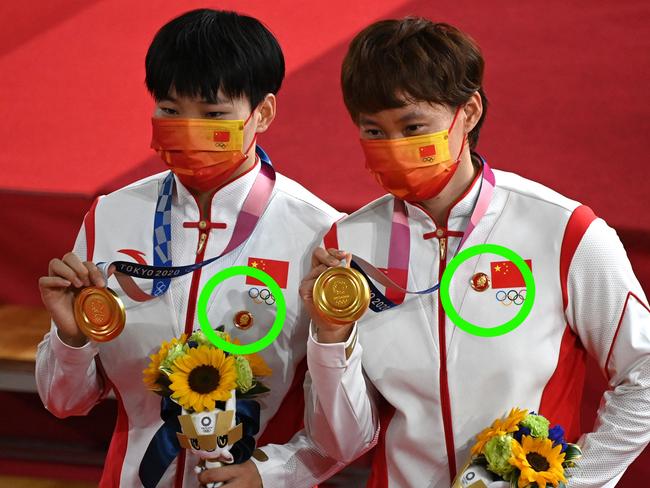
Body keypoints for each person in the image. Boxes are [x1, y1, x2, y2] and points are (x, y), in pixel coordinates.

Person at [300, 17, 650, 488]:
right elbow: (345, 441)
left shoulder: (563, 230)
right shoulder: (345, 247)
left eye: (413, 126)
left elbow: (644, 374)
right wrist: (331, 339)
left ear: (469, 111)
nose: (395, 147)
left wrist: (573, 481)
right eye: (374, 132)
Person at [36, 9, 346, 488]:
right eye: (170, 109)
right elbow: (65, 402)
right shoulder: (113, 215)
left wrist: (275, 474)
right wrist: (72, 340)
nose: (188, 127)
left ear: (263, 113)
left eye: (214, 114)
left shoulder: (318, 231)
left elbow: (343, 428)